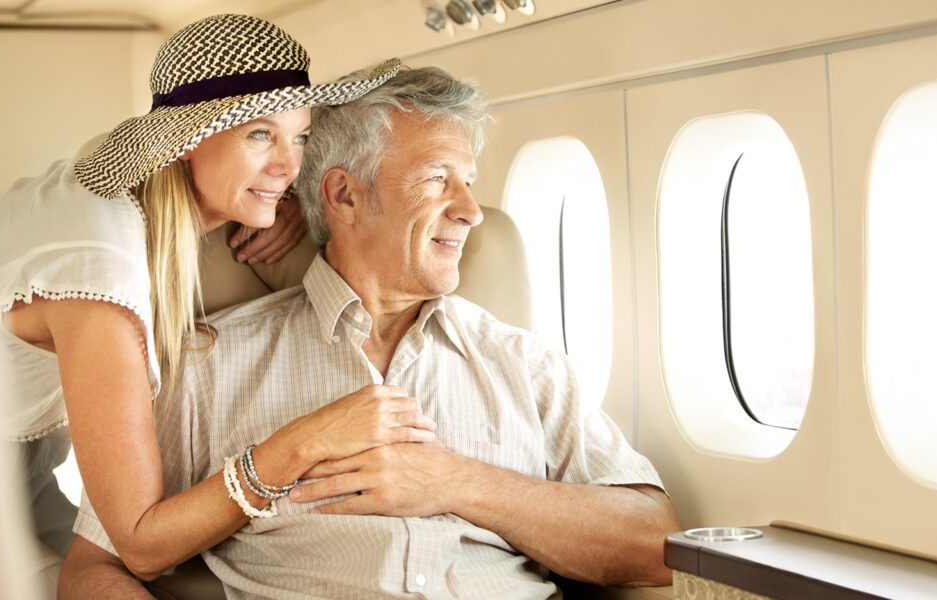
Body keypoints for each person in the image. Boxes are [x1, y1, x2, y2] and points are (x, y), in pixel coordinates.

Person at [64, 65, 681, 599]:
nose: (469, 209)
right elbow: (95, 569)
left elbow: (656, 545)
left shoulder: (527, 365)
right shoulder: (208, 367)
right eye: (439, 178)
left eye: (469, 181)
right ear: (344, 195)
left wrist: (452, 481)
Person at [0, 13, 424, 597]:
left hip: (9, 453)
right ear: (183, 142)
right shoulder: (100, 273)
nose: (289, 165)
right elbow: (141, 541)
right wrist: (303, 444)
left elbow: (248, 173)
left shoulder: (137, 179)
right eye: (259, 134)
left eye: (299, 136)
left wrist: (274, 201)